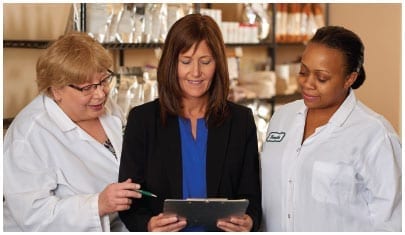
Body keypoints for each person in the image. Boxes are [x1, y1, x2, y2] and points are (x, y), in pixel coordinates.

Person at [118, 13, 262, 232]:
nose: (196, 72)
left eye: (205, 62)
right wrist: (147, 225)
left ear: (218, 64)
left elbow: (252, 197)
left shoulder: (240, 121)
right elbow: (130, 201)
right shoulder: (143, 120)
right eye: (185, 61)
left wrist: (249, 221)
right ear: (171, 64)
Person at [261, 26, 401, 231]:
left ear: (349, 79)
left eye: (322, 78)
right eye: (303, 72)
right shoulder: (282, 118)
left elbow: (393, 222)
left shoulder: (375, 135)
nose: (308, 83)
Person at [3, 32, 143, 231]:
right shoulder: (29, 134)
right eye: (87, 88)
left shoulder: (106, 108)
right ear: (56, 90)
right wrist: (97, 204)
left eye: (104, 80)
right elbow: (32, 215)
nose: (101, 93)